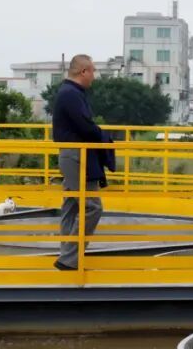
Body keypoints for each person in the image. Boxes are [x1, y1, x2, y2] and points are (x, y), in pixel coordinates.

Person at [51, 54, 111, 271]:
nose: (94, 76)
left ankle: (67, 255)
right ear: (83, 71)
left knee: (71, 205)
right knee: (92, 206)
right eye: (92, 71)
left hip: (72, 153)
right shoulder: (71, 94)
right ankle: (69, 258)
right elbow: (85, 127)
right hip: (77, 154)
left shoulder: (70, 92)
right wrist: (103, 135)